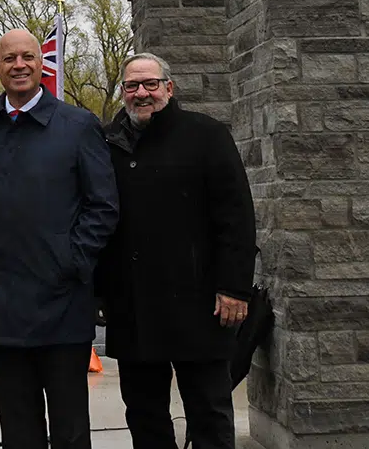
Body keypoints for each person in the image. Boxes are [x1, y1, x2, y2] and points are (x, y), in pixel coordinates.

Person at [0, 28, 119, 449]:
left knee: (69, 429)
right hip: (2, 306)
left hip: (62, 304)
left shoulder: (78, 125)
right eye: (9, 59)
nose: (19, 65)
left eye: (28, 57)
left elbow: (103, 205)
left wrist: (71, 260)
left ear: (41, 63)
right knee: (18, 428)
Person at [96, 53, 256, 449]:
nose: (142, 93)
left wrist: (235, 287)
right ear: (123, 93)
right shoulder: (107, 142)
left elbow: (236, 216)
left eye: (150, 84)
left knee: (208, 411)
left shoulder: (206, 135)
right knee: (144, 413)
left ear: (169, 87)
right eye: (132, 86)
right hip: (133, 305)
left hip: (200, 303)